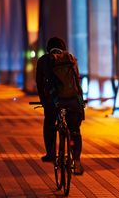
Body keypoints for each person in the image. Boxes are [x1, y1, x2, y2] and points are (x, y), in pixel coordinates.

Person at [36, 37, 85, 175]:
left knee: (50, 124)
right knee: (75, 130)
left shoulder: (44, 60)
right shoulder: (70, 59)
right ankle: (76, 160)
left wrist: (44, 102)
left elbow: (39, 84)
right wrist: (80, 102)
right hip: (73, 101)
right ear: (63, 48)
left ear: (48, 49)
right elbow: (77, 81)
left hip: (54, 102)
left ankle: (51, 153)